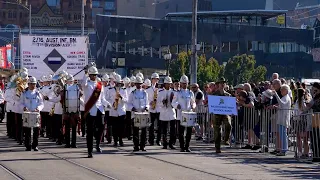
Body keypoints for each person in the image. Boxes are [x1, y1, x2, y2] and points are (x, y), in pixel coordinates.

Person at [82, 66, 111, 158]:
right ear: (89, 75)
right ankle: (89, 151)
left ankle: (97, 144)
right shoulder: (86, 84)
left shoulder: (100, 85)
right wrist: (85, 73)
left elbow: (102, 98)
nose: (93, 76)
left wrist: (107, 104)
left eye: (95, 75)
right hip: (90, 110)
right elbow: (83, 83)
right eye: (92, 75)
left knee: (101, 127)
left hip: (99, 109)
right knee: (89, 131)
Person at [172, 75, 196, 152]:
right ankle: (182, 146)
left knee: (189, 132)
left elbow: (193, 102)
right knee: (181, 132)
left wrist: (193, 105)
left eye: (186, 83)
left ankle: (187, 146)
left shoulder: (190, 93)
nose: (184, 84)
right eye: (183, 83)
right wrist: (176, 105)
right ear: (181, 83)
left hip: (189, 114)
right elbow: (173, 102)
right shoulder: (177, 93)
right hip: (180, 114)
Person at [20, 77, 44, 151]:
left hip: (35, 113)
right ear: (28, 84)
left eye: (34, 84)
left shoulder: (38, 93)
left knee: (36, 131)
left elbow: (41, 103)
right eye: (31, 84)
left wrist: (38, 108)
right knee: (27, 130)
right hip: (27, 114)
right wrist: (23, 107)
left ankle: (35, 145)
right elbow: (21, 103)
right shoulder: (24, 93)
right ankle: (28, 145)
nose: (33, 85)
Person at [127, 76, 149, 151]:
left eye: (140, 84)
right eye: (137, 84)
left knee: (144, 131)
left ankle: (142, 146)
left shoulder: (145, 93)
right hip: (135, 114)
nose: (138, 85)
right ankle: (136, 146)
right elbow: (129, 104)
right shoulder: (132, 93)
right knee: (135, 131)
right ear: (135, 84)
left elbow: (147, 103)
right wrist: (132, 108)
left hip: (143, 113)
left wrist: (146, 107)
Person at [212, 77, 232, 153]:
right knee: (217, 131)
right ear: (218, 84)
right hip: (217, 114)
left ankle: (226, 139)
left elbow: (230, 104)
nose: (222, 84)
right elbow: (211, 103)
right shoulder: (214, 94)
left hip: (225, 113)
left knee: (228, 124)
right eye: (221, 83)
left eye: (223, 83)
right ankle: (217, 147)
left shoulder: (228, 95)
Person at [108, 74, 128, 147]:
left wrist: (121, 97)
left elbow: (127, 100)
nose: (118, 84)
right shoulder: (110, 90)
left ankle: (120, 140)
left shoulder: (123, 90)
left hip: (121, 111)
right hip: (113, 111)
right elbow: (107, 99)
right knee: (114, 127)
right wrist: (112, 103)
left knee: (121, 127)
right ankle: (115, 140)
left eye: (119, 83)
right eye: (116, 83)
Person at [157, 76, 176, 149]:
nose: (168, 85)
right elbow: (158, 103)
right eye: (167, 83)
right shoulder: (160, 92)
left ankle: (171, 143)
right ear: (164, 84)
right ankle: (165, 143)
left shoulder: (173, 92)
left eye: (169, 83)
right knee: (164, 129)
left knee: (172, 129)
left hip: (171, 111)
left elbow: (175, 101)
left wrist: (173, 103)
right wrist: (162, 103)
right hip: (164, 112)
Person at [146, 73, 161, 146]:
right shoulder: (148, 90)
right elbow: (146, 99)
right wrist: (150, 103)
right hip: (152, 109)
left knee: (159, 125)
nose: (156, 80)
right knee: (151, 126)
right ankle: (151, 140)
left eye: (157, 79)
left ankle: (158, 140)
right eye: (154, 79)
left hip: (158, 109)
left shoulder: (160, 89)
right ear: (152, 80)